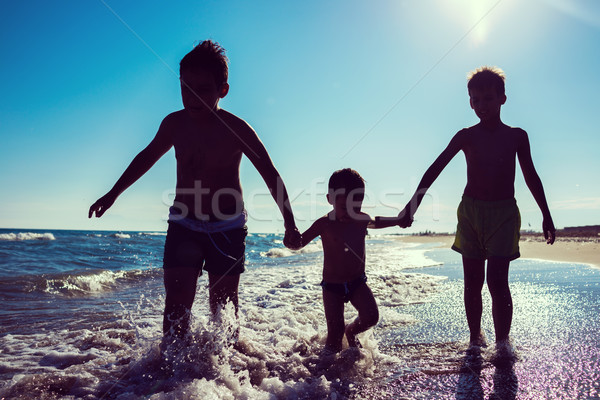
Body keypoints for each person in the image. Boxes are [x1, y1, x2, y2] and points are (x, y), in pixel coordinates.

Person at [89, 40, 301, 344]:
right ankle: (170, 369)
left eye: (202, 89)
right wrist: (113, 193)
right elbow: (146, 157)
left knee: (223, 305)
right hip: (184, 223)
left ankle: (224, 374)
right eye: (185, 88)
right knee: (176, 301)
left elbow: (270, 174)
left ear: (222, 90)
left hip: (227, 226)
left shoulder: (237, 129)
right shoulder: (174, 124)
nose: (192, 97)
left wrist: (289, 222)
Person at [398, 66, 556, 354]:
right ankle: (474, 338)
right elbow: (436, 167)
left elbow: (531, 175)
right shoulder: (465, 136)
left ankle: (502, 343)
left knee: (497, 280)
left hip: (504, 214)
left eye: (488, 98)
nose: (482, 105)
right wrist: (412, 205)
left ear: (502, 99)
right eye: (476, 100)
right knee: (472, 281)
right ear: (470, 102)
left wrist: (546, 213)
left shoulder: (517, 136)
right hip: (470, 213)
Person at [295, 168, 402, 353]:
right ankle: (323, 375)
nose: (350, 213)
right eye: (345, 207)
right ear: (330, 199)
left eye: (356, 207)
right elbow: (300, 242)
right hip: (332, 287)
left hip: (357, 282)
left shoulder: (360, 220)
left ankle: (351, 332)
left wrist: (399, 219)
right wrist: (291, 240)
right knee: (334, 338)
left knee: (371, 317)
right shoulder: (324, 223)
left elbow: (376, 222)